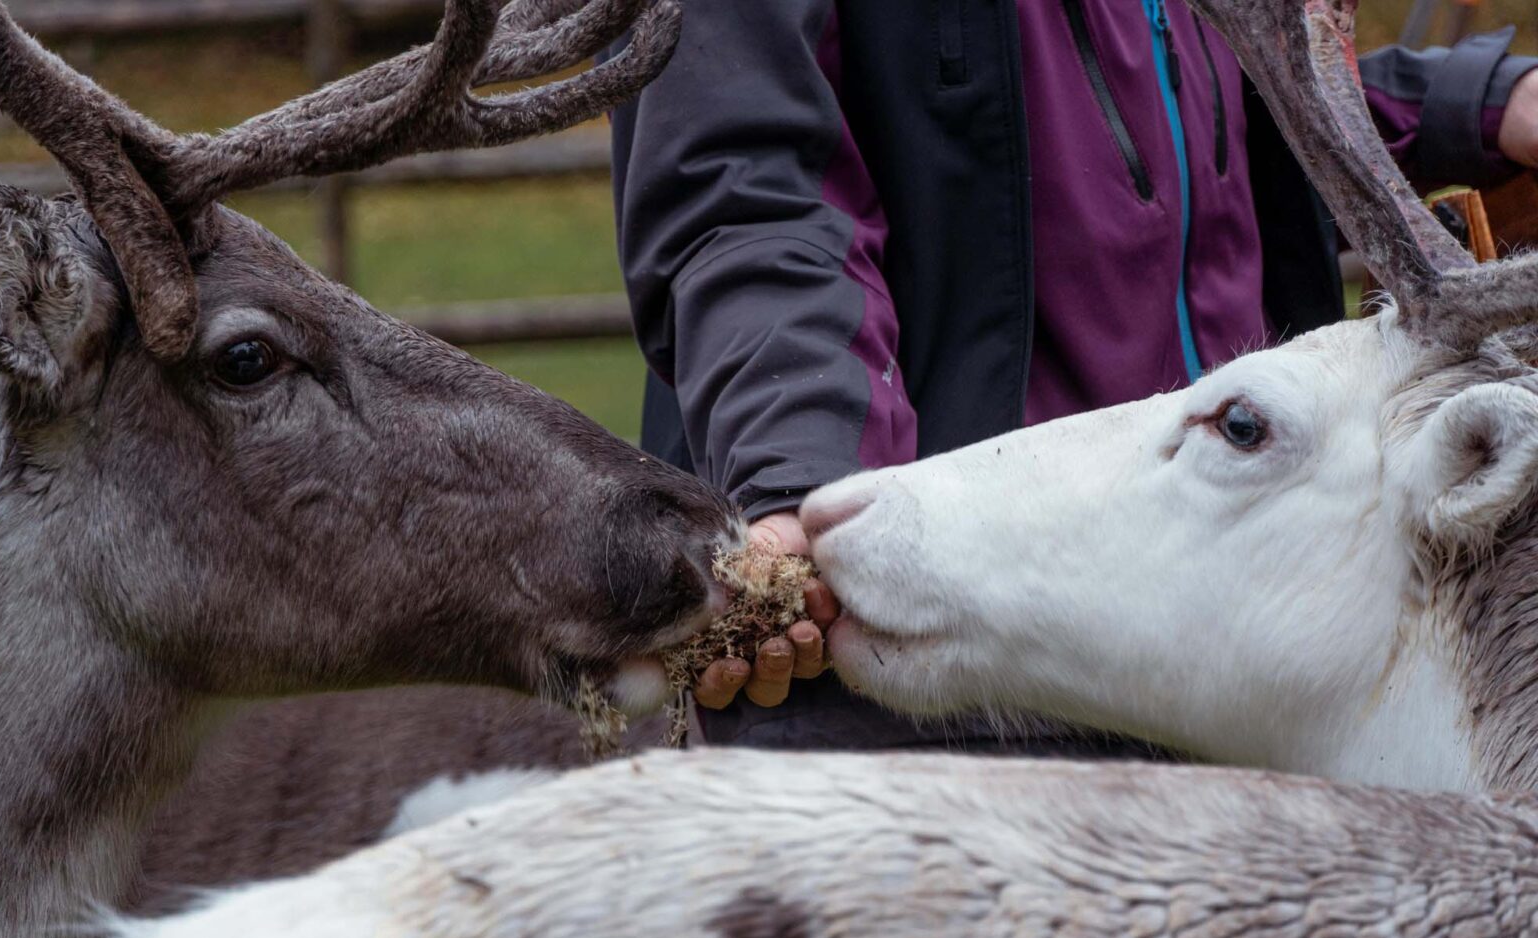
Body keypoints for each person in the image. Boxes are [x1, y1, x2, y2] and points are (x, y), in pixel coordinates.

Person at [609, 1, 1538, 751]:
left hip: (1208, 662)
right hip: (912, 659)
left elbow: (1200, 119)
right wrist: (795, 487)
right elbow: (747, 192)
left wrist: (1483, 109)